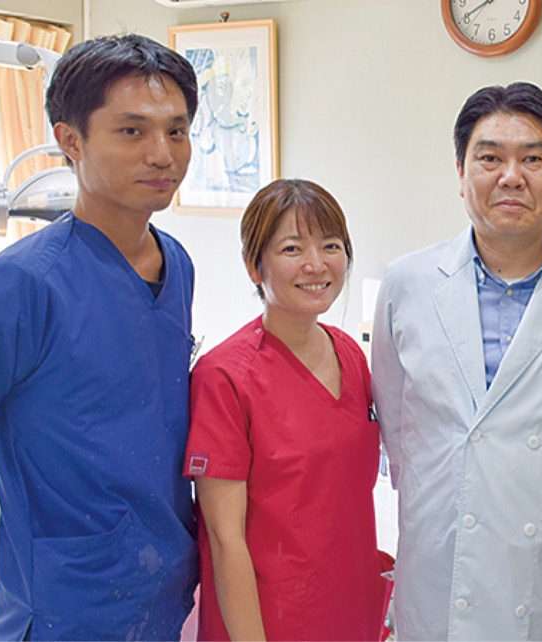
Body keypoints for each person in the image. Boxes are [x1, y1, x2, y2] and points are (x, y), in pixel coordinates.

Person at [371, 81, 542, 641]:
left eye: (533, 159)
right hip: (442, 571)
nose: (511, 176)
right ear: (460, 172)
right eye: (490, 158)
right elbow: (398, 429)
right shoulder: (406, 283)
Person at [0, 34, 200, 639]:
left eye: (177, 131)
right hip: (62, 609)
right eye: (132, 131)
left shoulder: (177, 264)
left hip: (164, 594)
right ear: (70, 140)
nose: (162, 154)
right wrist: (10, 571)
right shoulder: (24, 284)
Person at [184, 179, 390, 641]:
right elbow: (225, 539)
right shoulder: (225, 377)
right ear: (253, 266)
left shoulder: (350, 355)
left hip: (350, 607)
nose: (316, 265)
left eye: (331, 246)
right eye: (292, 249)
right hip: (268, 621)